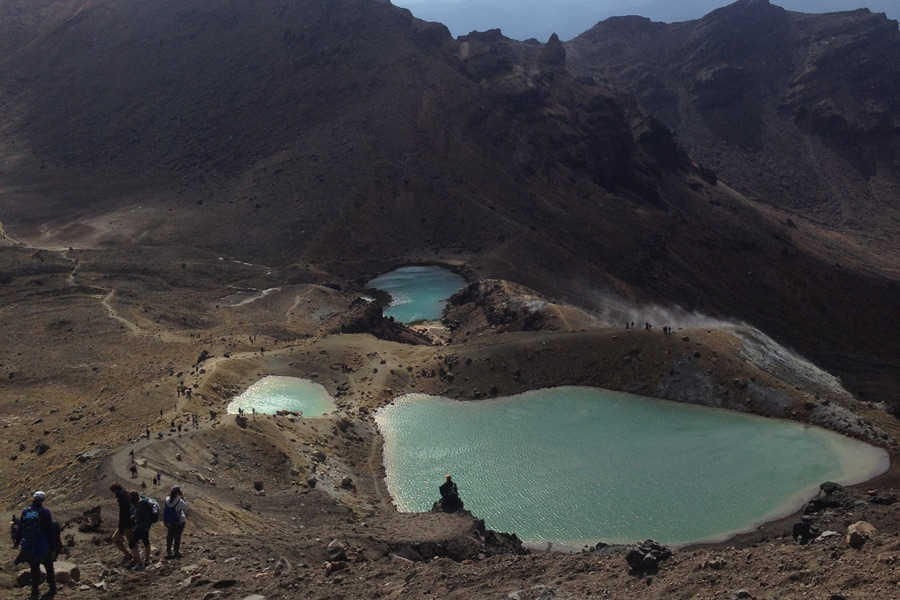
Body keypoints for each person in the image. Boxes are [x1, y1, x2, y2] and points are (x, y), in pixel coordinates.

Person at [13, 490, 57, 599]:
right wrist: (53, 546)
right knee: (48, 564)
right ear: (43, 500)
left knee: (34, 566)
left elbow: (20, 528)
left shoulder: (25, 511)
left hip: (29, 544)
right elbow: (50, 530)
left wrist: (17, 542)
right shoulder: (45, 511)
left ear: (33, 499)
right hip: (43, 543)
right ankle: (52, 588)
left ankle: (35, 591)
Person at [127, 491, 155, 570]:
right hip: (144, 527)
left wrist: (139, 528)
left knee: (131, 544)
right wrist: (135, 516)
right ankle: (147, 560)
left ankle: (140, 563)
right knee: (146, 542)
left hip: (142, 527)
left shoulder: (142, 505)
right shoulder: (141, 503)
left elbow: (146, 518)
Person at [110, 482, 135, 564]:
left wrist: (121, 527)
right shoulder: (126, 494)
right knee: (131, 541)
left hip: (126, 523)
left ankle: (128, 555)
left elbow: (123, 513)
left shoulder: (121, 498)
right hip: (132, 521)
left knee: (115, 538)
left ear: (115, 490)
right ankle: (136, 558)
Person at [163, 485, 188, 559]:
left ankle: (169, 551)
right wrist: (183, 497)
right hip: (179, 521)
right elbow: (186, 506)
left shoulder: (166, 499)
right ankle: (176, 551)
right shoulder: (179, 501)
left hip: (169, 521)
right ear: (178, 492)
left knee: (170, 535)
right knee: (177, 536)